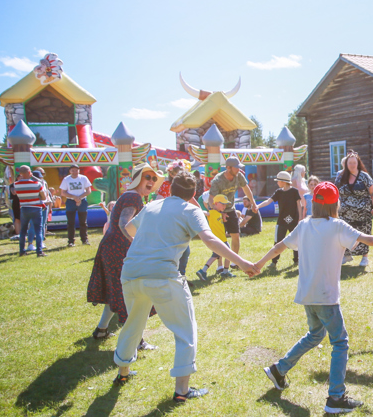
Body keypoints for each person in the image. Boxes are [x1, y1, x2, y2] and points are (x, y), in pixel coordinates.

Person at [254, 181, 373, 414]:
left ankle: (279, 369)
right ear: (335, 205)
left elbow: (280, 246)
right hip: (326, 297)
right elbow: (369, 240)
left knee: (315, 334)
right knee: (340, 342)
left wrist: (259, 264)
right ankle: (335, 398)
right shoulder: (337, 226)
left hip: (308, 295)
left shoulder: (304, 225)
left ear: (314, 203)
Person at [112, 172, 259, 401]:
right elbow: (210, 240)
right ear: (193, 195)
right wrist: (242, 262)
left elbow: (130, 229)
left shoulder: (151, 206)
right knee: (185, 330)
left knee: (134, 322)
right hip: (162, 274)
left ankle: (123, 373)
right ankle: (182, 391)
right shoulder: (190, 210)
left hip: (131, 273)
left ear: (170, 189)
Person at [87, 163, 164, 344]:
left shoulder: (132, 196)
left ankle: (101, 330)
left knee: (116, 291)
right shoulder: (133, 197)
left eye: (154, 178)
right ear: (137, 179)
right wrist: (136, 243)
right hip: (118, 249)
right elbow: (124, 223)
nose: (151, 181)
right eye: (147, 177)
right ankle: (137, 341)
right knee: (131, 295)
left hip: (112, 247)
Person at [208, 157, 258, 269]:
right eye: (236, 168)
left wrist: (254, 204)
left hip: (230, 209)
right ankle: (220, 266)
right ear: (228, 168)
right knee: (220, 240)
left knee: (236, 235)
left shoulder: (238, 176)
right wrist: (219, 212)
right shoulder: (218, 180)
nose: (239, 170)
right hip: (218, 211)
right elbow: (211, 199)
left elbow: (246, 189)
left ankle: (234, 263)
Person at [336, 152, 373, 267]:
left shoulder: (364, 176)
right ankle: (346, 255)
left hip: (362, 213)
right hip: (345, 213)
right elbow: (336, 193)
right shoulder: (341, 176)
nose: (352, 165)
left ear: (358, 163)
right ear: (346, 164)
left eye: (354, 163)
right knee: (344, 234)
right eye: (350, 163)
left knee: (364, 234)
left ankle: (365, 257)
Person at [257, 171, 303, 267]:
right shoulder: (279, 192)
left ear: (283, 181)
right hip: (282, 221)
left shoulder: (294, 191)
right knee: (278, 241)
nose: (277, 183)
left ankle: (297, 260)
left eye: (278, 181)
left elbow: (299, 205)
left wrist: (300, 218)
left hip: (294, 221)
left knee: (296, 240)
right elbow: (268, 201)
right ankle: (274, 262)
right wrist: (258, 206)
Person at [197, 194, 237, 280]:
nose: (224, 206)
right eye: (223, 204)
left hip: (221, 238)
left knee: (217, 255)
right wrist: (199, 211)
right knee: (226, 254)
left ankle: (206, 271)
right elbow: (205, 213)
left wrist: (224, 218)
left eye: (225, 204)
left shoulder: (220, 213)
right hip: (218, 239)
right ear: (216, 203)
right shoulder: (211, 212)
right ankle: (205, 271)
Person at [13, 165, 48, 257]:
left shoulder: (16, 184)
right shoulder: (37, 184)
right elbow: (44, 197)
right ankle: (39, 251)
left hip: (24, 208)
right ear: (29, 172)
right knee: (38, 230)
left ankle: (22, 251)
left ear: (20, 173)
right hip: (36, 208)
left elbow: (16, 194)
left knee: (23, 231)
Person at [60, 164, 92, 247]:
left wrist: (79, 198)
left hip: (82, 201)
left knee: (83, 222)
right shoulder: (66, 179)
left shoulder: (83, 178)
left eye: (76, 170)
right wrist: (74, 197)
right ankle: (71, 241)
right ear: (70, 171)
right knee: (71, 222)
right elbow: (63, 192)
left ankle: (84, 240)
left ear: (79, 170)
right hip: (70, 202)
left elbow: (88, 190)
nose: (75, 172)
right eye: (73, 170)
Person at [25, 169, 51, 252]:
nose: (40, 179)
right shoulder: (31, 184)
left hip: (44, 205)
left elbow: (46, 194)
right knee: (33, 225)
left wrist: (48, 201)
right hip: (35, 206)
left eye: (40, 177)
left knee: (42, 225)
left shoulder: (44, 183)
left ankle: (40, 242)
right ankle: (30, 244)